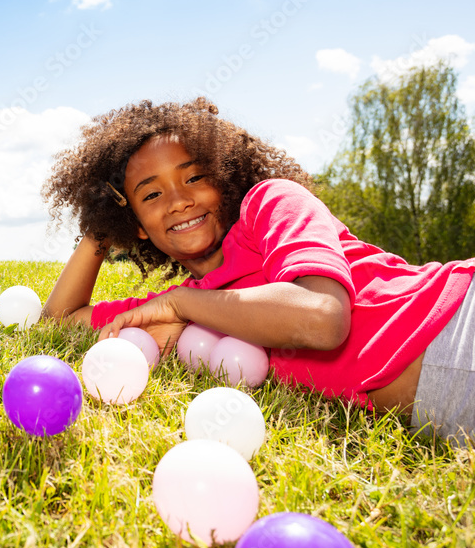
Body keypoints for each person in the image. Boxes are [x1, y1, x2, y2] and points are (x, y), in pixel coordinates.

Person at [41, 97, 475, 446]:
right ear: (135, 224)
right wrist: (101, 225)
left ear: (225, 178)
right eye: (151, 195)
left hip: (457, 328)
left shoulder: (270, 204)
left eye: (194, 178)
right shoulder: (192, 306)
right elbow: (58, 320)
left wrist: (181, 303)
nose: (178, 201)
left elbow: (323, 317)